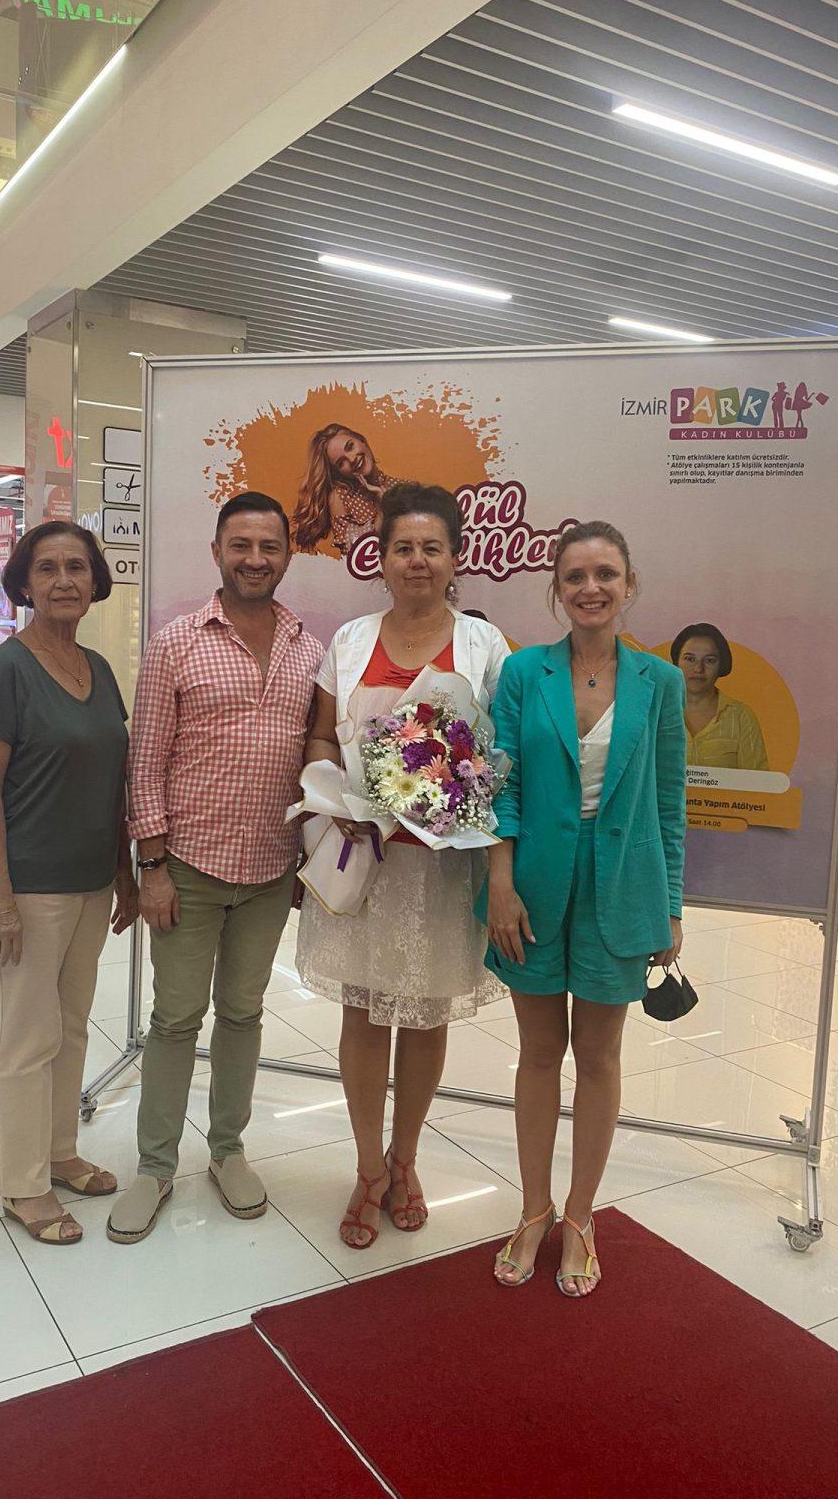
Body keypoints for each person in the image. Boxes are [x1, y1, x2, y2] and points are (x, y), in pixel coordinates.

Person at [296, 483, 510, 1250]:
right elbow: (321, 736)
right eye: (403, 548)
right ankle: (366, 1169)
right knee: (362, 1014)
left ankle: (406, 1159)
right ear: (380, 559)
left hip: (441, 870)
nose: (417, 561)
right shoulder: (351, 640)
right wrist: (340, 799)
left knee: (423, 1016)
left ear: (456, 559)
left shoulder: (486, 646)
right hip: (365, 858)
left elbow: (502, 754)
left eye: (432, 548)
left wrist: (460, 796)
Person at [107, 491, 323, 1244]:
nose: (255, 559)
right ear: (217, 553)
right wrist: (153, 865)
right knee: (174, 1019)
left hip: (270, 870)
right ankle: (154, 1166)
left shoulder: (308, 647)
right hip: (188, 868)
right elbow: (145, 761)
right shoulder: (176, 642)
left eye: (269, 546)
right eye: (241, 545)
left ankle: (228, 1150)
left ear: (287, 554)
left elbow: (314, 760)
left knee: (243, 1014)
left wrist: (310, 858)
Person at [483, 520, 685, 1294]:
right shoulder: (523, 673)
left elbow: (669, 802)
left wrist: (670, 906)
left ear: (629, 585)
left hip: (622, 887)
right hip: (532, 888)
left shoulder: (659, 682)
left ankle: (579, 1217)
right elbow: (499, 783)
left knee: (599, 1057)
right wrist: (500, 883)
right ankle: (533, 1210)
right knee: (539, 1053)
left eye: (605, 574)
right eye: (575, 576)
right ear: (557, 590)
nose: (591, 588)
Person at [0, 521, 137, 1245]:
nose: (64, 580)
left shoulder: (98, 667)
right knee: (25, 1039)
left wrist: (125, 871)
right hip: (31, 889)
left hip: (92, 882)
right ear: (24, 583)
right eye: (47, 568)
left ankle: (61, 1152)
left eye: (77, 567)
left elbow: (113, 779)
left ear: (95, 582)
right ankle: (23, 1184)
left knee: (69, 1028)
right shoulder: (6, 669)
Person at [671, 622, 768, 771]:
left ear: (721, 665)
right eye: (690, 659)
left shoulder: (741, 717)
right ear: (676, 662)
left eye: (709, 660)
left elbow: (758, 781)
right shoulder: (657, 712)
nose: (698, 669)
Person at [291, 423, 398, 555]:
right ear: (339, 472)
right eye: (341, 463)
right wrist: (381, 508)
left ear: (362, 441)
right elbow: (357, 557)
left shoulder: (404, 487)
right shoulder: (340, 498)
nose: (352, 459)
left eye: (350, 446)